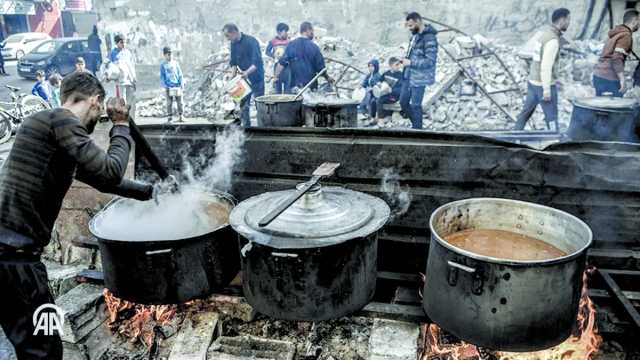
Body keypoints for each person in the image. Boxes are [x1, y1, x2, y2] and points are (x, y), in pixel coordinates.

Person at [0, 71, 154, 360]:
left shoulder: (44, 127)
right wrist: (120, 125)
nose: (97, 120)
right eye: (100, 112)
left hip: (10, 259)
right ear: (96, 101)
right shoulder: (62, 120)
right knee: (44, 350)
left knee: (34, 344)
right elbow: (110, 172)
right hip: (16, 262)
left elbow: (101, 179)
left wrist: (150, 193)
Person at [514, 8, 571, 131]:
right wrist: (546, 90)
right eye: (568, 20)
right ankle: (555, 140)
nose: (569, 23)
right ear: (562, 20)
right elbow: (546, 66)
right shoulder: (553, 41)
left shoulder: (544, 35)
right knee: (552, 117)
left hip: (533, 82)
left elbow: (537, 60)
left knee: (525, 114)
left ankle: (513, 136)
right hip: (543, 85)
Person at [400, 12, 438, 129]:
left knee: (416, 105)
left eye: (411, 26)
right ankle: (416, 125)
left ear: (418, 22)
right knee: (403, 102)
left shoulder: (430, 38)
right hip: (408, 75)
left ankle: (417, 129)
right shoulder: (415, 36)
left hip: (420, 78)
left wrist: (411, 62)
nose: (409, 29)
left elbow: (430, 61)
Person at [224, 23, 264, 127]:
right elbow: (233, 62)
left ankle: (262, 129)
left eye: (228, 36)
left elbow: (257, 63)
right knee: (244, 105)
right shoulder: (233, 43)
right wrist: (232, 77)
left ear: (234, 32)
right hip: (243, 80)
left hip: (256, 78)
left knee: (260, 104)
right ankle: (246, 129)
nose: (227, 39)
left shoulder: (251, 41)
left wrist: (246, 73)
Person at [593, 10, 640, 97]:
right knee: (615, 108)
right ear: (635, 20)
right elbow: (616, 58)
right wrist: (622, 79)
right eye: (639, 21)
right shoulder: (626, 36)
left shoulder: (617, 33)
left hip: (598, 75)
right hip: (609, 77)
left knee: (600, 107)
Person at [276, 21, 333, 92]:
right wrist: (327, 77)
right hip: (311, 86)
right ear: (307, 30)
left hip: (295, 87)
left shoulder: (291, 45)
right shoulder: (314, 47)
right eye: (312, 31)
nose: (313, 33)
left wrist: (276, 76)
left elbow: (281, 63)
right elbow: (321, 68)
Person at [108, 34, 137, 117]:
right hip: (120, 82)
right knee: (122, 101)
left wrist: (134, 78)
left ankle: (132, 120)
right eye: (121, 42)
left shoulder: (127, 53)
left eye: (124, 42)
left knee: (131, 101)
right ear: (117, 43)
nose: (123, 44)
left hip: (130, 80)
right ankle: (123, 118)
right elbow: (109, 67)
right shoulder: (113, 53)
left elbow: (132, 66)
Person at [376, 57, 405, 121]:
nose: (399, 66)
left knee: (380, 100)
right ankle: (373, 117)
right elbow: (379, 80)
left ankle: (380, 120)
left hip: (394, 96)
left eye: (399, 64)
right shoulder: (386, 73)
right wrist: (379, 83)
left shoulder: (400, 75)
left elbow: (401, 89)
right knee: (373, 99)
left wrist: (392, 90)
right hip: (385, 94)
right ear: (390, 66)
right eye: (396, 65)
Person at [160, 46, 184, 123]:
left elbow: (180, 74)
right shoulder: (163, 65)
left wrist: (181, 83)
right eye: (168, 54)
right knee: (169, 103)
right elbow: (162, 76)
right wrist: (164, 85)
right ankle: (170, 117)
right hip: (168, 86)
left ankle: (181, 116)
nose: (170, 56)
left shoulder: (175, 63)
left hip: (177, 85)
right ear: (164, 55)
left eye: (171, 54)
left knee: (180, 102)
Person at [266, 22, 291, 94]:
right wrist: (274, 56)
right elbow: (267, 52)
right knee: (278, 87)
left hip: (287, 67)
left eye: (287, 31)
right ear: (279, 32)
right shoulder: (272, 41)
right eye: (285, 31)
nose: (286, 33)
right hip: (276, 66)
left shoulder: (289, 41)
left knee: (288, 87)